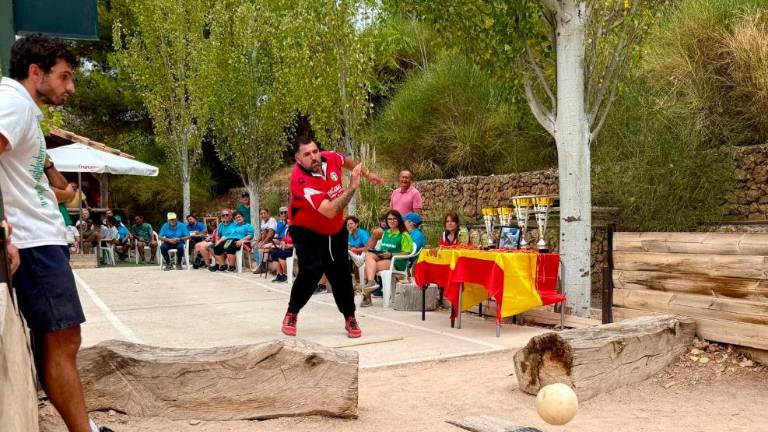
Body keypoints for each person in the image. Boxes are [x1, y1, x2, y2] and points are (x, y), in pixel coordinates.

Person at [0, 34, 113, 432]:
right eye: (64, 77)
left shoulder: (20, 106)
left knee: (60, 342)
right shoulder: (12, 102)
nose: (70, 87)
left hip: (39, 239)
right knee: (63, 341)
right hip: (33, 243)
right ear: (35, 73)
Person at [282, 136, 383, 338]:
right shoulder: (300, 180)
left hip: (335, 229)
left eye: (315, 151)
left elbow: (346, 161)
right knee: (311, 270)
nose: (313, 157)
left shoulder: (329, 158)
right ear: (298, 159)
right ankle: (291, 313)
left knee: (341, 273)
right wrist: (352, 187)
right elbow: (329, 210)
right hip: (306, 230)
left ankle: (350, 318)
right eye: (307, 154)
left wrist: (367, 173)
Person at [360, 210, 414, 307]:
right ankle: (372, 282)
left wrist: (390, 255)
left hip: (396, 262)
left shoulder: (404, 235)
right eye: (389, 219)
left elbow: (407, 252)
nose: (392, 221)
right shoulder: (385, 233)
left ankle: (367, 297)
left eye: (394, 219)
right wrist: (380, 253)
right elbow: (381, 248)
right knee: (368, 255)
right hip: (384, 258)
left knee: (366, 269)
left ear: (398, 220)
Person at [346, 216, 370, 289]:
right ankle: (352, 282)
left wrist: (355, 250)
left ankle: (358, 282)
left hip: (365, 255)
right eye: (347, 225)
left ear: (356, 224)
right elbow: (349, 247)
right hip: (354, 257)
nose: (349, 226)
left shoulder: (363, 233)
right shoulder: (350, 235)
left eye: (351, 223)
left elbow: (368, 247)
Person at [252, 207, 278, 274]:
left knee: (260, 247)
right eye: (261, 214)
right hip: (266, 240)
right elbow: (262, 233)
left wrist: (263, 242)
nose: (263, 215)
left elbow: (270, 234)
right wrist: (257, 241)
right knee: (254, 246)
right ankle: (259, 266)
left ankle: (262, 266)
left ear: (268, 213)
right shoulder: (263, 221)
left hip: (273, 240)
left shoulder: (272, 220)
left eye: (264, 213)